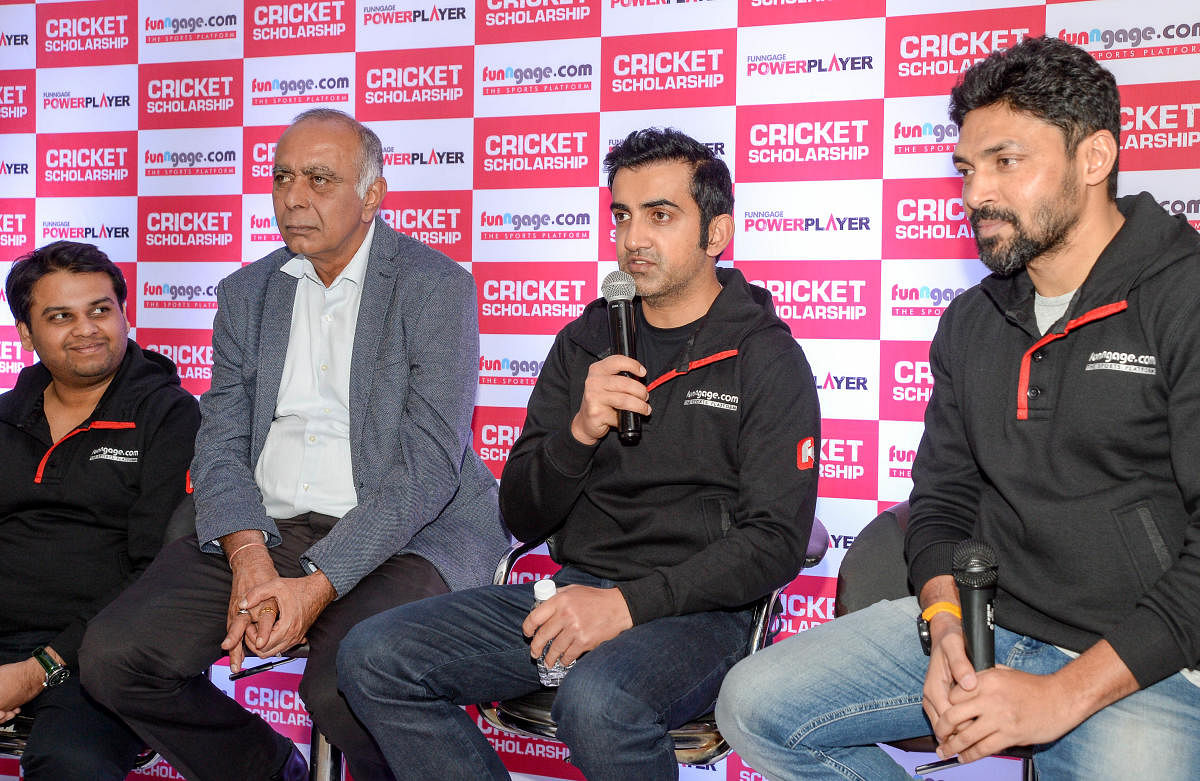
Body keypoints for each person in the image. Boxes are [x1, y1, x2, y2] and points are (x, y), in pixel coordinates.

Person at [716, 35, 1200, 780]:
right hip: (991, 627)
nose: (976, 194)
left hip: (1148, 655)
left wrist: (1062, 695)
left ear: (1094, 158)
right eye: (968, 169)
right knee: (752, 702)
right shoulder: (973, 320)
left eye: (1007, 162)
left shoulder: (1183, 295)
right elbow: (940, 501)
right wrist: (945, 625)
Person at [335, 127, 821, 780]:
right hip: (571, 594)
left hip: (700, 614)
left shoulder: (765, 357)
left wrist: (626, 605)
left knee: (597, 698)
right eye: (622, 215)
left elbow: (775, 542)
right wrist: (579, 433)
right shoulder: (587, 340)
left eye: (661, 215)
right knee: (372, 654)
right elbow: (522, 512)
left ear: (717, 233)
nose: (633, 239)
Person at [79, 109, 509, 781]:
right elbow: (218, 441)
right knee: (114, 655)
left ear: (372, 195)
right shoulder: (247, 292)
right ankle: (266, 767)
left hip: (405, 532)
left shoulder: (435, 287)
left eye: (318, 178)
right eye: (282, 177)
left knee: (346, 685)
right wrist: (248, 553)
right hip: (266, 524)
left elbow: (427, 466)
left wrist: (318, 581)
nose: (293, 197)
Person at [0, 241, 199, 779]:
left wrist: (38, 670)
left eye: (100, 310)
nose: (86, 329)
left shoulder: (170, 417)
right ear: (25, 332)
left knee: (72, 763)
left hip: (104, 652)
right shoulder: (4, 417)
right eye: (60, 316)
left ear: (124, 314)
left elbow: (158, 571)